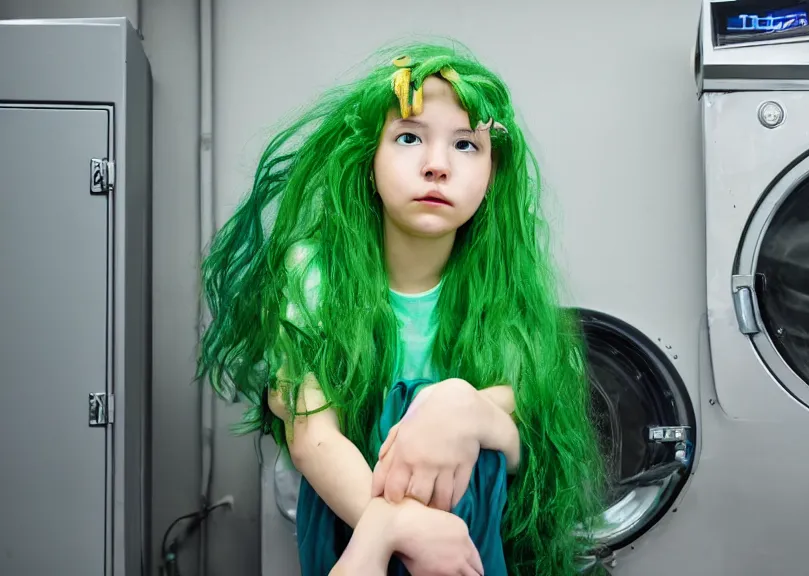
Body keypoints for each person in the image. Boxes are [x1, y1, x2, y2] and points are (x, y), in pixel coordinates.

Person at [196, 40, 608, 576]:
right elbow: (313, 437)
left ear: (491, 174)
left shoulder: (504, 291)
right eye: (409, 137)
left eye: (466, 145)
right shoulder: (314, 273)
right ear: (370, 161)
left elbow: (516, 448)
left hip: (469, 535)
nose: (437, 166)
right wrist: (396, 526)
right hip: (342, 518)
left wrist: (459, 409)